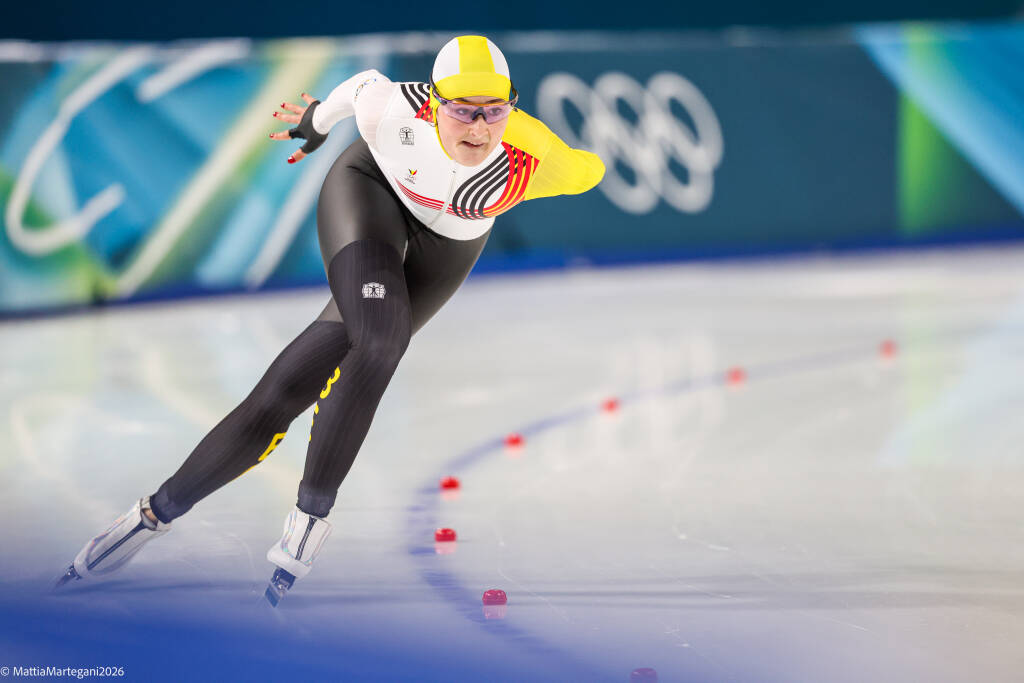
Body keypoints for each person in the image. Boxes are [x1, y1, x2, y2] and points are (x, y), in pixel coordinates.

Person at [55, 35, 605, 604]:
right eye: (463, 111)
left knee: (291, 387)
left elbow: (589, 170)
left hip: (450, 244)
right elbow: (359, 84)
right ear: (434, 103)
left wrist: (564, 159)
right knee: (382, 340)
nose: (479, 127)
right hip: (370, 196)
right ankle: (288, 518)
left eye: (494, 111)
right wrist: (316, 121)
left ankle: (154, 514)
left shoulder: (531, 156)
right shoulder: (392, 108)